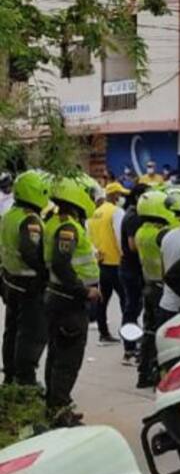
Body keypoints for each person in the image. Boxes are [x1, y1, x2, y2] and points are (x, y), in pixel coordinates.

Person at [43, 176, 102, 426]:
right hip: (69, 300)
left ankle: (54, 405)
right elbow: (61, 263)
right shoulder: (68, 228)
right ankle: (60, 410)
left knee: (57, 354)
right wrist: (84, 291)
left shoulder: (55, 221)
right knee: (67, 359)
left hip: (58, 296)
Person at [0, 170, 50, 386]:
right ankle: (25, 380)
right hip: (30, 285)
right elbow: (31, 253)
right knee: (31, 334)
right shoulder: (30, 220)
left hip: (10, 281)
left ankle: (10, 376)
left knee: (12, 331)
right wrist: (47, 272)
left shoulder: (9, 215)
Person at [131, 190, 175, 387]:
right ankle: (158, 371)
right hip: (161, 288)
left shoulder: (142, 231)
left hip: (149, 284)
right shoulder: (161, 233)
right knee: (163, 332)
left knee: (149, 330)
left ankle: (144, 372)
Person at [87, 182, 127, 345]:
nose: (121, 197)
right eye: (120, 194)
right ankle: (129, 335)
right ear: (114, 195)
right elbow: (119, 236)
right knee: (126, 301)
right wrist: (125, 255)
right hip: (116, 262)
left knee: (102, 301)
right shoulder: (116, 212)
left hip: (101, 262)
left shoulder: (95, 213)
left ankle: (104, 333)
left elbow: (90, 238)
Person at [117, 184, 146, 366]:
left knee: (134, 308)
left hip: (131, 269)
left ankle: (132, 345)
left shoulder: (132, 214)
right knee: (132, 309)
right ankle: (129, 349)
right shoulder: (134, 217)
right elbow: (133, 245)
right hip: (131, 269)